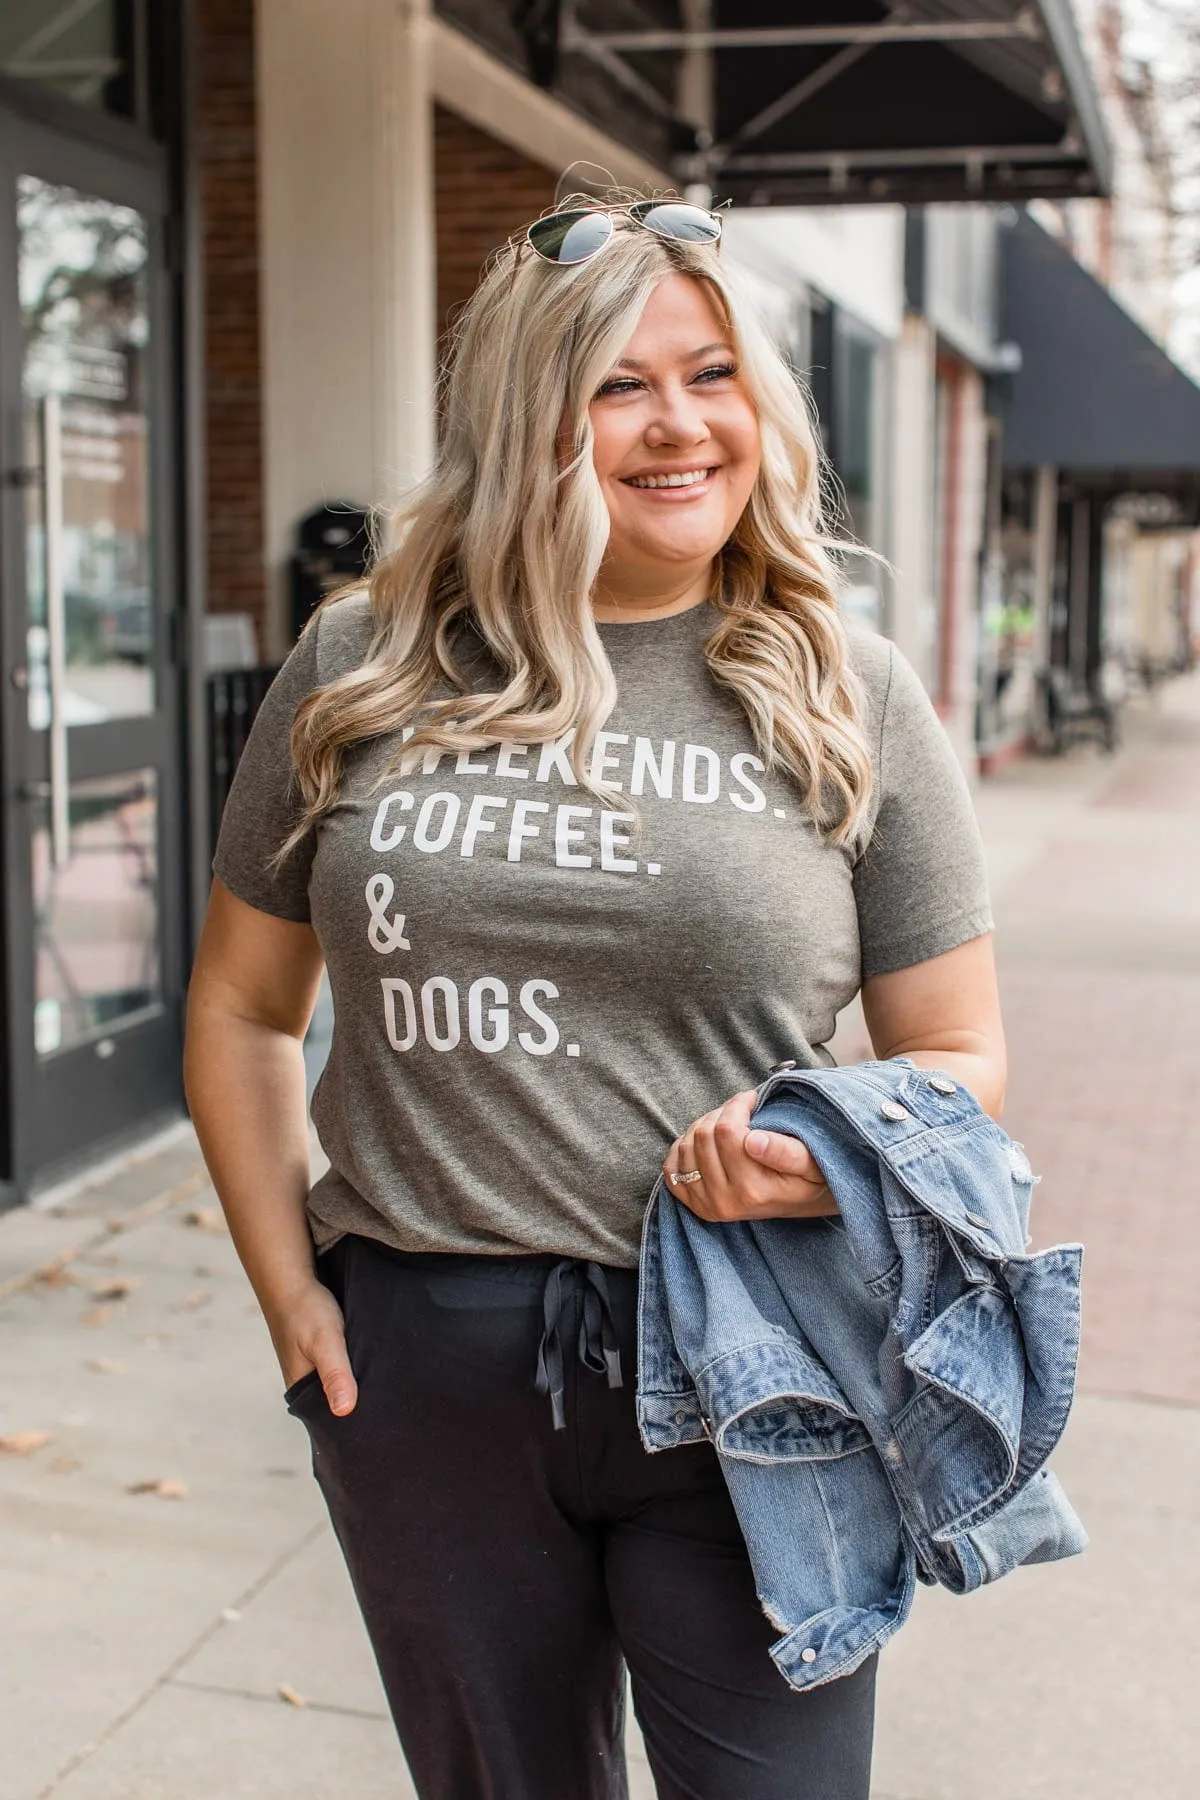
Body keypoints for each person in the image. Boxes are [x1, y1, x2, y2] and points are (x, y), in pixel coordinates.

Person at [184, 195, 1005, 1800]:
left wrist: (828, 1151)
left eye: (710, 375)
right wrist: (293, 1297)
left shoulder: (846, 686)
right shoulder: (371, 659)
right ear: (526, 417)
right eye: (618, 385)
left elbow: (959, 1053)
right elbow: (240, 1003)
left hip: (757, 1346)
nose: (679, 424)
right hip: (431, 1353)